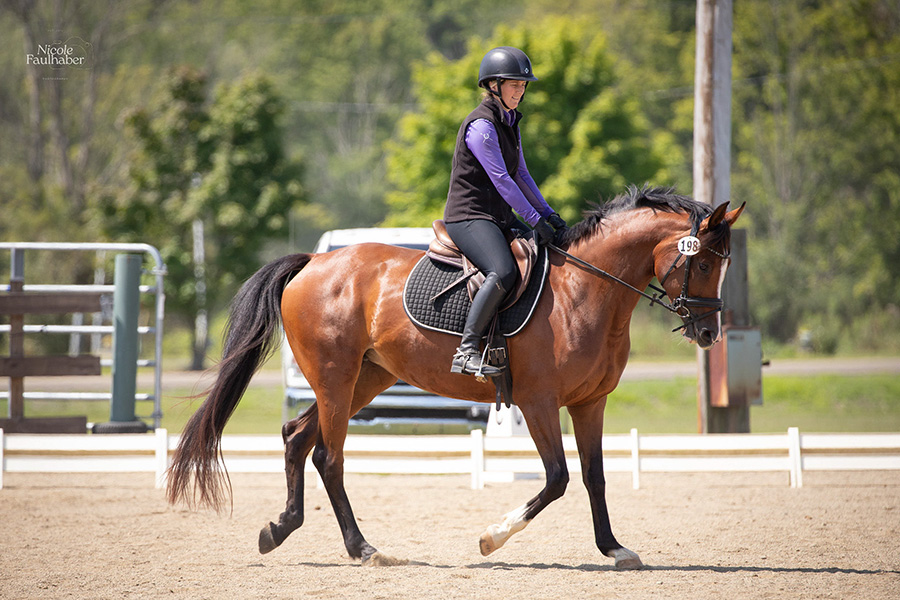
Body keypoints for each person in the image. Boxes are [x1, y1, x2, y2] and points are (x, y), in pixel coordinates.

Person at [444, 46, 568, 378]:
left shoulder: (510, 122)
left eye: (524, 85)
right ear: (494, 85)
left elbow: (522, 175)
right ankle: (467, 349)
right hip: (468, 217)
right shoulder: (481, 126)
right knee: (503, 270)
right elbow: (502, 180)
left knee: (548, 254)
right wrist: (533, 219)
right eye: (515, 84)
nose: (521, 90)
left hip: (496, 217)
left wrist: (548, 213)